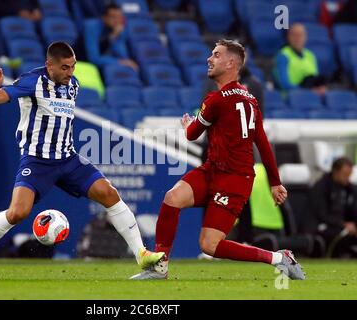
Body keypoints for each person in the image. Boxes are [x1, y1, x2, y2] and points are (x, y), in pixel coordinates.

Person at [0, 42, 164, 278]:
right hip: (37, 161)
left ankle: (141, 255)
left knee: (109, 194)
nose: (71, 73)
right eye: (65, 67)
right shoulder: (32, 82)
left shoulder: (73, 85)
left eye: (73, 66)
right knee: (17, 212)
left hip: (68, 158)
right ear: (49, 65)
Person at [131, 39, 305, 280]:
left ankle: (279, 258)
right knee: (173, 198)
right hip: (214, 169)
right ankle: (159, 266)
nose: (209, 59)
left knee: (209, 245)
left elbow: (192, 135)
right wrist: (275, 182)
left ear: (231, 63)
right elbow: (263, 143)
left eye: (216, 55)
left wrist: (188, 125)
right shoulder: (250, 99)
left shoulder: (216, 99)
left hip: (234, 179)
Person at [310, 157, 357, 257]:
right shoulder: (321, 187)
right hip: (323, 227)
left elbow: (353, 210)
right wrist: (343, 224)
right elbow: (321, 214)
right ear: (335, 171)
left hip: (345, 226)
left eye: (349, 175)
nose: (347, 178)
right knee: (339, 235)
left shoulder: (350, 189)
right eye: (345, 175)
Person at [273, 23, 327, 95]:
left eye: (301, 35)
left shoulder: (310, 55)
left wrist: (320, 88)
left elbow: (316, 78)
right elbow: (284, 84)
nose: (298, 38)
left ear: (305, 37)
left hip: (311, 95)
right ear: (289, 37)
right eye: (294, 35)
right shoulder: (283, 55)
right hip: (292, 98)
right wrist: (307, 91)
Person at [84, 4, 138, 70]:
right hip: (81, 63)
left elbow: (122, 55)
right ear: (104, 18)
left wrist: (115, 36)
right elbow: (93, 58)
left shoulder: (118, 29)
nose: (117, 20)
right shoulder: (91, 27)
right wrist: (120, 62)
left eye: (119, 17)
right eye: (113, 17)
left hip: (101, 66)